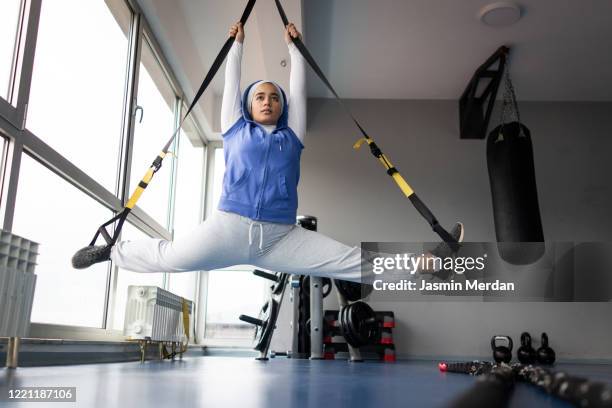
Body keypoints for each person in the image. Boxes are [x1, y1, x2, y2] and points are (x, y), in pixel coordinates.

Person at [72, 22, 463, 283]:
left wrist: (295, 49)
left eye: (273, 97)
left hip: (280, 235)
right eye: (259, 96)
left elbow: (297, 86)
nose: (267, 100)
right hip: (229, 227)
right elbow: (232, 78)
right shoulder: (234, 128)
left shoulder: (293, 133)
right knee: (171, 257)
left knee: (350, 262)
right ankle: (110, 253)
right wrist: (236, 45)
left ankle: (426, 267)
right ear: (246, 104)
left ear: (282, 105)